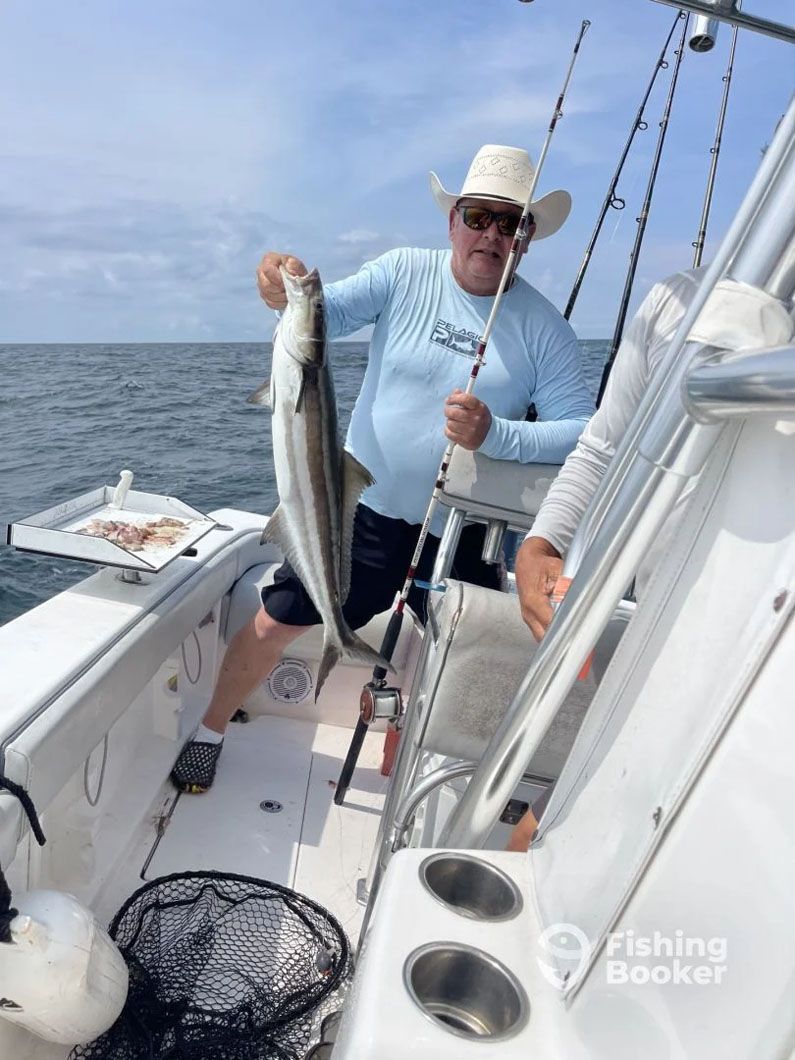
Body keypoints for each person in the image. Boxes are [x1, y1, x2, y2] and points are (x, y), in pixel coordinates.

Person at [171, 143, 595, 794]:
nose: (492, 235)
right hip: (355, 512)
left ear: (528, 237)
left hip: (462, 529)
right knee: (278, 616)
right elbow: (319, 315)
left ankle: (413, 760)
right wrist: (278, 286)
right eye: (479, 215)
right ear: (452, 217)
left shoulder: (546, 331)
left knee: (459, 652)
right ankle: (209, 729)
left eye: (511, 223)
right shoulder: (401, 273)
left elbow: (580, 433)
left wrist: (496, 432)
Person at [507, 266, 794, 850]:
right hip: (665, 632)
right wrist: (543, 542)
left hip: (764, 664)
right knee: (539, 838)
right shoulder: (675, 301)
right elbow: (603, 445)